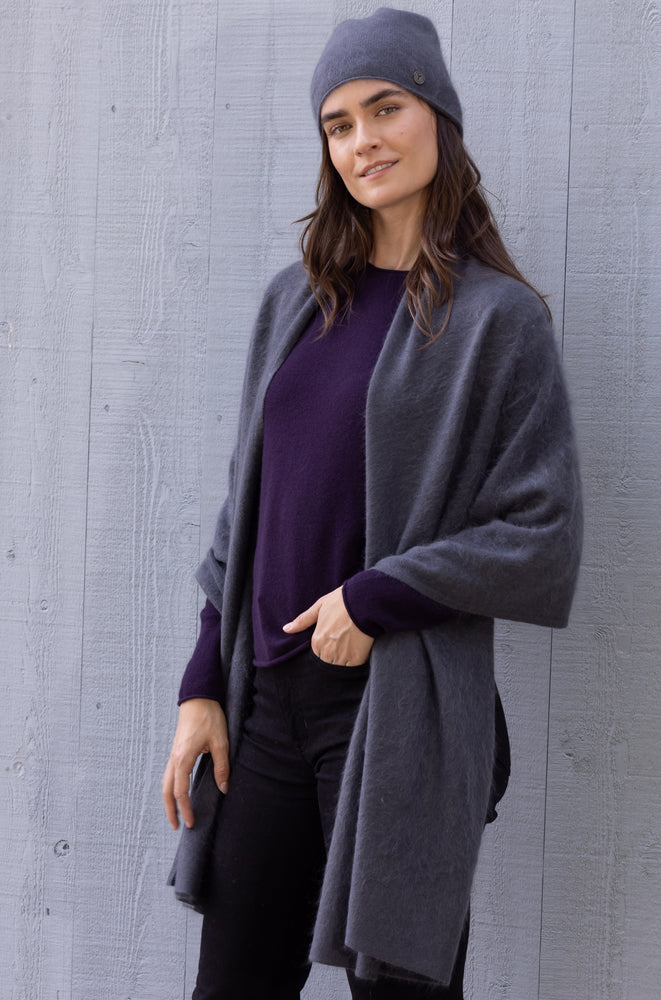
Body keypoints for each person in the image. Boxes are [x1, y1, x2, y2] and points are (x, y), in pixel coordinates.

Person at [163, 7, 582, 999]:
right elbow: (243, 514)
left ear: (435, 113)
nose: (362, 141)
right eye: (338, 123)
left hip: (395, 715)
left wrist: (375, 597)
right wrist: (200, 684)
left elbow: (541, 536)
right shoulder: (296, 303)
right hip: (264, 705)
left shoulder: (497, 322)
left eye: (383, 108)